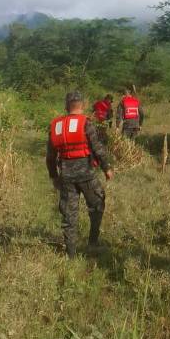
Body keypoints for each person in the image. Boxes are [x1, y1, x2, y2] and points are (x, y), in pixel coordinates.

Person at [46, 90, 114, 258]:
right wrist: (106, 168)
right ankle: (93, 241)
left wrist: (54, 176)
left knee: (69, 214)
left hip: (66, 177)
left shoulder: (56, 126)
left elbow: (50, 156)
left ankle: (71, 254)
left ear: (66, 106)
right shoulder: (86, 123)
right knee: (97, 204)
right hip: (87, 175)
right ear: (83, 105)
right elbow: (98, 148)